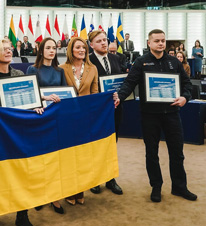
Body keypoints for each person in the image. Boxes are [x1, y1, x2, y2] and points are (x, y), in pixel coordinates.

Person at [116, 29, 196, 203]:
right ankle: (156, 186)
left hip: (172, 114)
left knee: (177, 152)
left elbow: (187, 83)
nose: (161, 43)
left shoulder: (174, 62)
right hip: (149, 115)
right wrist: (119, 97)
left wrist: (185, 97)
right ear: (149, 43)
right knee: (151, 153)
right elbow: (129, 83)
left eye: (163, 40)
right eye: (157, 40)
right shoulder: (141, 62)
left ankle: (179, 187)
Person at [0, 39, 35, 226]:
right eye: (4, 49)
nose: (9, 51)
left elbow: (28, 101)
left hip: (16, 131)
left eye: (10, 49)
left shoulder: (19, 74)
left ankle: (22, 215)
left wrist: (36, 103)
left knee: (21, 172)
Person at [26, 37, 67, 214]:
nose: (52, 50)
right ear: (41, 50)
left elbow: (66, 94)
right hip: (38, 118)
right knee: (38, 160)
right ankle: (37, 195)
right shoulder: (32, 69)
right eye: (48, 47)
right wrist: (44, 98)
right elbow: (29, 93)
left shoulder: (60, 71)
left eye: (54, 48)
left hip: (55, 119)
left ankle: (54, 198)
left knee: (54, 160)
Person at [59, 37, 99, 206]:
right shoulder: (62, 68)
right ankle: (69, 190)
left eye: (84, 47)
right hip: (67, 119)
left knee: (83, 156)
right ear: (71, 49)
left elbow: (95, 93)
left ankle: (80, 190)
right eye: (78, 47)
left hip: (85, 119)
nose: (82, 50)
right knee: (69, 156)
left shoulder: (93, 68)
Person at [88, 30, 125, 196]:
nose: (104, 43)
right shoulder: (87, 61)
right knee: (96, 145)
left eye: (105, 40)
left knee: (112, 144)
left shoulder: (116, 58)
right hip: (96, 111)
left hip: (115, 109)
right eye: (99, 41)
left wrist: (121, 95)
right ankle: (95, 179)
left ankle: (110, 179)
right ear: (91, 45)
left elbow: (122, 82)